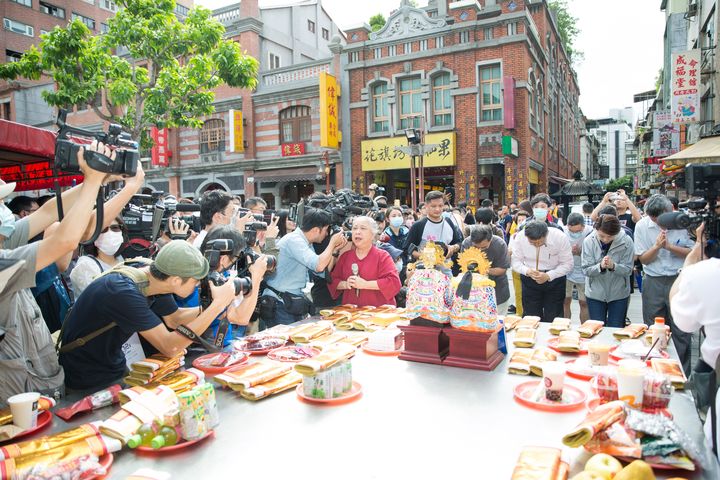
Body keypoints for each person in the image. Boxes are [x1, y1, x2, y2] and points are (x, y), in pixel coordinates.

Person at [1, 141, 131, 401]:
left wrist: (100, 177)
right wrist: (93, 182)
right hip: (19, 400)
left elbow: (50, 210)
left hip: (43, 383)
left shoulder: (6, 239)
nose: (6, 210)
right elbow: (63, 242)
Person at [59, 240, 237, 391]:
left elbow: (174, 319)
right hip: (85, 373)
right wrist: (217, 305)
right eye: (196, 281)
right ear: (176, 280)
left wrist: (209, 309)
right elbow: (170, 346)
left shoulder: (154, 276)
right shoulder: (123, 291)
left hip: (113, 363)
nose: (198, 286)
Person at [635, 193, 694, 374]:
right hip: (654, 281)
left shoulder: (685, 223)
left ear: (671, 212)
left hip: (680, 279)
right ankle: (655, 371)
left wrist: (670, 247)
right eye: (654, 221)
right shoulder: (642, 226)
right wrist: (657, 247)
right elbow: (643, 259)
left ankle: (681, 374)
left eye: (661, 221)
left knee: (681, 331)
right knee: (654, 330)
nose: (658, 225)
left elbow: (695, 253)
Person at [262, 208, 348, 326]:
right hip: (280, 303)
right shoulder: (294, 240)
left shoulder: (305, 241)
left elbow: (322, 271)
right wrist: (332, 243)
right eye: (326, 230)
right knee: (286, 342)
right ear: (316, 230)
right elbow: (318, 266)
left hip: (290, 302)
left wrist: (334, 251)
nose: (327, 234)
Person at [328, 216, 401, 306]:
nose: (357, 232)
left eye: (363, 228)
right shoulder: (345, 256)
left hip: (379, 313)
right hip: (352, 313)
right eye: (354, 228)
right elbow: (333, 281)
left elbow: (393, 282)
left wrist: (365, 284)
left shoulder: (382, 256)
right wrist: (346, 284)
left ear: (372, 234)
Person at [510, 220, 573, 322]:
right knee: (531, 316)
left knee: (554, 316)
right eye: (532, 243)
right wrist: (527, 271)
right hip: (529, 278)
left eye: (539, 242)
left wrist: (548, 275)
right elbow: (515, 261)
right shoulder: (520, 237)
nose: (537, 245)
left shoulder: (559, 237)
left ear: (546, 234)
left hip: (555, 279)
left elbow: (568, 264)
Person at [581, 214, 635, 327]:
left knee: (616, 329)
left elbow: (628, 270)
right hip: (595, 292)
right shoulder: (588, 241)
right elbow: (586, 269)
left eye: (610, 236)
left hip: (619, 293)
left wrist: (613, 266)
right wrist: (599, 267)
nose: (605, 239)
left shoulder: (626, 241)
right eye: (601, 236)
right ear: (596, 229)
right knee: (597, 328)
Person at [70, 215, 128, 298]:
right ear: (92, 235)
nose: (110, 233)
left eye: (115, 228)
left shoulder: (120, 259)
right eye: (103, 230)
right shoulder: (86, 265)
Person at [460, 225, 511, 314]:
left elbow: (502, 269)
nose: (480, 250)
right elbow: (463, 266)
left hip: (497, 290)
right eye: (476, 247)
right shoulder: (466, 243)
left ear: (490, 239)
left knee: (498, 320)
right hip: (474, 292)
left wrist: (483, 269)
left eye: (483, 247)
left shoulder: (500, 244)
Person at [403, 190, 463, 262]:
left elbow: (458, 243)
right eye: (433, 206)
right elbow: (407, 249)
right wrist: (425, 257)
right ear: (426, 206)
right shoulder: (418, 225)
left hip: (446, 269)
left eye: (440, 206)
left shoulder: (448, 222)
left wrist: (453, 248)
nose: (437, 209)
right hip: (424, 270)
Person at [563, 213, 592, 321]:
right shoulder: (562, 231)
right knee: (565, 300)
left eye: (578, 231)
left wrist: (581, 252)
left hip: (584, 270)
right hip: (566, 270)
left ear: (583, 226)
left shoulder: (590, 232)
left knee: (584, 302)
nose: (575, 233)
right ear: (568, 226)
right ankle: (565, 326)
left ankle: (585, 328)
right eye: (572, 231)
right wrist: (568, 251)